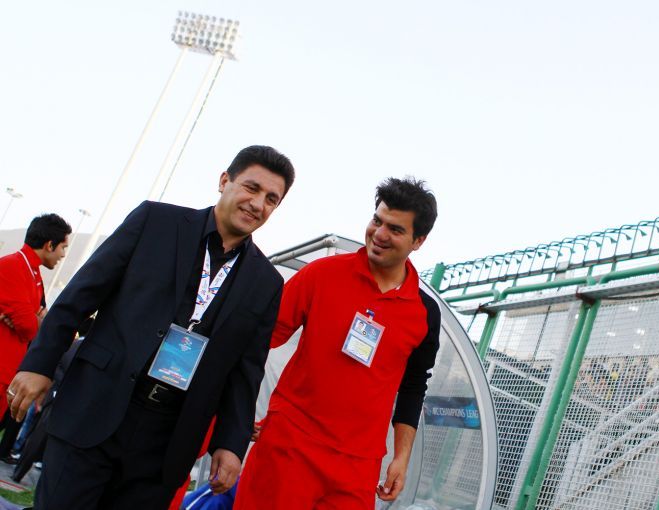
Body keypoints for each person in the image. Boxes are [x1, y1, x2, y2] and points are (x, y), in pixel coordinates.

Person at [6, 145, 295, 510]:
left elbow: (246, 371)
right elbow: (80, 295)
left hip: (166, 442)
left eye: (271, 199)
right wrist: (39, 365)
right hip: (95, 407)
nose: (258, 204)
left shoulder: (266, 282)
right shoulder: (155, 222)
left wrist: (230, 444)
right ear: (225, 181)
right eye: (252, 188)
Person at [234, 177, 440, 510]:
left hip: (357, 470)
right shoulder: (322, 274)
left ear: (418, 241)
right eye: (377, 221)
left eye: (395, 229)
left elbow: (414, 386)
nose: (379, 234)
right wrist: (236, 414)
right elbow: (256, 343)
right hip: (289, 449)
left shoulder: (424, 313)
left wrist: (401, 457)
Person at [0, 213, 71, 421]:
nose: (63, 255)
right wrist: (34, 319)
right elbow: (29, 328)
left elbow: (44, 324)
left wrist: (34, 319)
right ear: (49, 245)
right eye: (63, 247)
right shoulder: (12, 266)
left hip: (8, 376)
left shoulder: (33, 273)